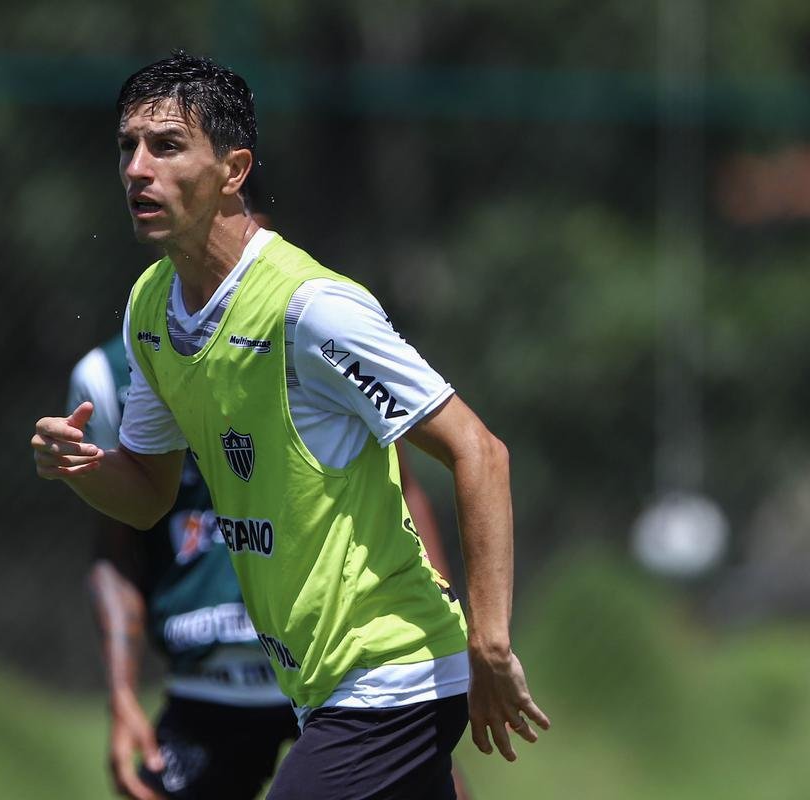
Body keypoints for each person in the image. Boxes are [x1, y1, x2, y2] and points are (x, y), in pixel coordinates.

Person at [32, 51, 548, 799]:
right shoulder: (152, 305)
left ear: (233, 170)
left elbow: (480, 451)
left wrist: (490, 644)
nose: (137, 169)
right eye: (127, 147)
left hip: (391, 674)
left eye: (167, 146)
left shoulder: (311, 308)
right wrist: (82, 467)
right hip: (321, 685)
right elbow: (147, 494)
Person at [72, 334, 298, 800]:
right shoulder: (105, 375)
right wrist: (122, 693)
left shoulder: (303, 328)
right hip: (207, 685)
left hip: (331, 668)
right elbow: (115, 551)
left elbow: (399, 489)